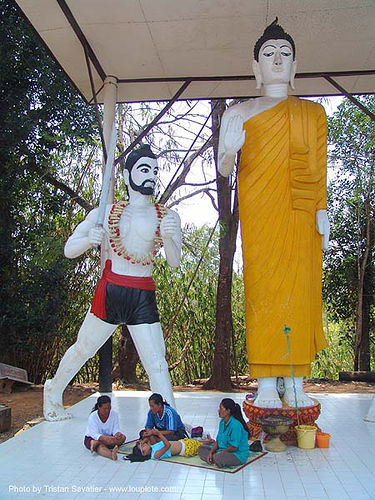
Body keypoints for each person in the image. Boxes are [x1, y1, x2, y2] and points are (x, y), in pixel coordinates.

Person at [218, 19, 330, 408]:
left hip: (300, 212)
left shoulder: (313, 115)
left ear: (295, 66)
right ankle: (266, 378)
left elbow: (319, 169)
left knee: (299, 288)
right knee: (262, 287)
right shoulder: (238, 113)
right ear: (255, 68)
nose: (277, 59)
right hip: (260, 211)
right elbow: (223, 167)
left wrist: (323, 210)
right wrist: (230, 149)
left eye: (285, 53)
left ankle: (297, 377)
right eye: (269, 54)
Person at [44, 144, 181, 421]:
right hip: (111, 290)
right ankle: (53, 390)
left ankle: (172, 419)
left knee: (156, 362)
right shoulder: (104, 213)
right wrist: (88, 240)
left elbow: (175, 261)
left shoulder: (166, 217)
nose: (151, 177)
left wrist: (168, 239)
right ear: (128, 173)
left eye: (155, 171)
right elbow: (70, 249)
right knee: (84, 347)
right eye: (144, 170)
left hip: (142, 294)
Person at [198, 398, 250, 468]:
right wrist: (211, 452)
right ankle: (214, 457)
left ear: (228, 411)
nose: (218, 411)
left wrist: (220, 453)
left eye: (221, 409)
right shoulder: (222, 422)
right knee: (201, 449)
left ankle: (215, 458)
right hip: (222, 450)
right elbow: (218, 441)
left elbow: (234, 447)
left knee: (219, 457)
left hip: (237, 454)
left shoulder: (236, 425)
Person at [84, 395, 126, 461]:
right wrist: (104, 439)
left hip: (109, 438)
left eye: (109, 408)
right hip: (93, 438)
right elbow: (94, 434)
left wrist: (117, 434)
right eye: (105, 409)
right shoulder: (93, 416)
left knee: (123, 438)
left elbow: (116, 428)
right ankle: (111, 455)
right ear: (99, 407)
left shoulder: (114, 414)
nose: (107, 411)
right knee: (100, 447)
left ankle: (96, 443)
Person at [132, 428, 213, 461]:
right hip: (185, 449)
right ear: (144, 453)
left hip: (182, 443)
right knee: (200, 446)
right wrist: (159, 434)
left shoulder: (152, 448)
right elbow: (167, 445)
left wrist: (141, 441)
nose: (145, 445)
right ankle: (211, 444)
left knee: (197, 442)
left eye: (143, 444)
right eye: (143, 447)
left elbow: (148, 440)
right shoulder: (155, 455)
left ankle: (209, 441)